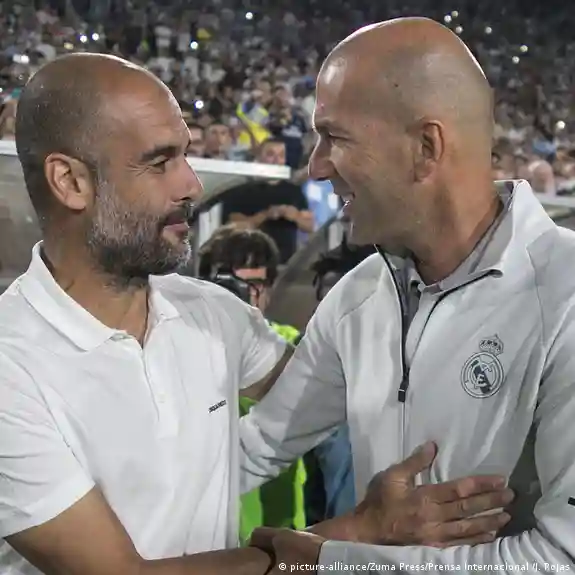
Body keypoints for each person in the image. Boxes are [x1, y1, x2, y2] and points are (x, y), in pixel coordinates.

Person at [0, 53, 512, 575]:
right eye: (159, 163)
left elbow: (337, 392)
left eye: (185, 156)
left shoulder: (212, 314)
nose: (191, 185)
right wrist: (356, 533)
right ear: (70, 182)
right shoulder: (11, 367)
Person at [241, 17, 575, 573]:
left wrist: (334, 560)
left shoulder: (565, 293)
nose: (316, 166)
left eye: (335, 137)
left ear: (425, 147)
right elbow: (255, 448)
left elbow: (562, 557)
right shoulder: (358, 297)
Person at [197, 224, 307, 541]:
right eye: (231, 284)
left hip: (279, 526)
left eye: (255, 285)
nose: (244, 296)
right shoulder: (183, 344)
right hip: (208, 531)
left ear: (270, 289)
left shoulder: (289, 345)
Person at [220, 138, 315, 263]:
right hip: (249, 261)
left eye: (281, 155)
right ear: (259, 157)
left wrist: (294, 216)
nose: (276, 160)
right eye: (271, 154)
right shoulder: (242, 189)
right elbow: (232, 226)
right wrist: (266, 215)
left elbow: (310, 226)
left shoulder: (293, 190)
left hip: (285, 262)